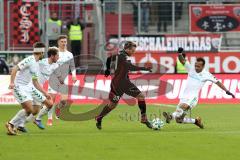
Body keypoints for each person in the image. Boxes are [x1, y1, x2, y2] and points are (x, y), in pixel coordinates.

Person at [163, 48, 235, 128]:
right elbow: (182, 61)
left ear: (203, 66)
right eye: (196, 66)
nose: (196, 68)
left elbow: (218, 82)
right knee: (179, 120)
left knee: (183, 106)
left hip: (193, 98)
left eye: (198, 66)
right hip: (184, 96)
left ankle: (170, 117)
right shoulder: (191, 69)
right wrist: (180, 53)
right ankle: (196, 121)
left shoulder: (207, 74)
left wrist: (226, 91)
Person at [95, 41, 153, 130]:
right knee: (141, 96)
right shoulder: (123, 57)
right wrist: (144, 68)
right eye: (133, 50)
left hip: (115, 84)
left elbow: (109, 59)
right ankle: (144, 118)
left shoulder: (118, 54)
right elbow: (130, 67)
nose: (134, 52)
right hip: (123, 83)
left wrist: (107, 70)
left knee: (112, 105)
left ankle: (99, 117)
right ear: (127, 49)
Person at [5, 42, 53, 135]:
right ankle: (11, 124)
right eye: (44, 52)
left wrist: (45, 93)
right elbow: (15, 68)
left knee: (47, 104)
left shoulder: (36, 63)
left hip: (29, 86)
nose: (44, 54)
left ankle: (18, 125)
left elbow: (35, 82)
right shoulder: (30, 60)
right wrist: (11, 82)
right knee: (29, 110)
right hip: (19, 87)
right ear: (41, 52)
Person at [16, 47, 60, 132]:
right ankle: (19, 123)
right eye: (57, 55)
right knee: (45, 105)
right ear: (52, 56)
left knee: (36, 110)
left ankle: (20, 124)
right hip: (31, 86)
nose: (58, 57)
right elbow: (31, 64)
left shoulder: (56, 65)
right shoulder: (41, 62)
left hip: (39, 88)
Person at [43, 35, 77, 125]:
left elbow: (72, 66)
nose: (64, 43)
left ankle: (58, 108)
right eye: (62, 42)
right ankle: (49, 119)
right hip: (54, 79)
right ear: (58, 42)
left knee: (64, 100)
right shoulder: (54, 52)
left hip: (64, 79)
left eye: (65, 42)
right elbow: (48, 63)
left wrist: (74, 75)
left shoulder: (69, 54)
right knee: (51, 100)